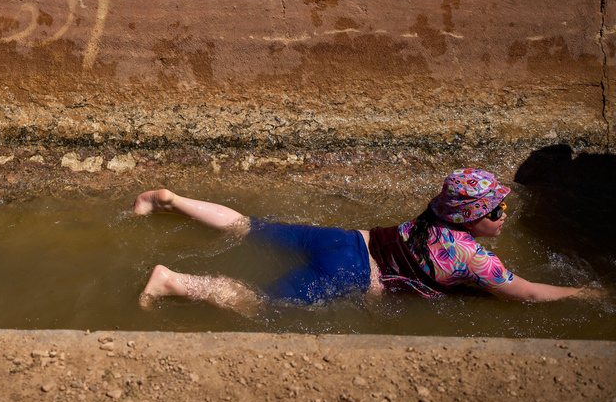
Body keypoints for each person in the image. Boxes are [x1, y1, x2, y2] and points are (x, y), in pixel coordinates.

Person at [134, 168, 603, 314]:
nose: (504, 215)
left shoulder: (434, 215)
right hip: (349, 273)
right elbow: (529, 293)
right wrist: (587, 293)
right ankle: (174, 282)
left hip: (343, 241)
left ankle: (169, 200)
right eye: (495, 210)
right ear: (471, 220)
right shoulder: (473, 258)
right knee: (259, 302)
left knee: (249, 226)